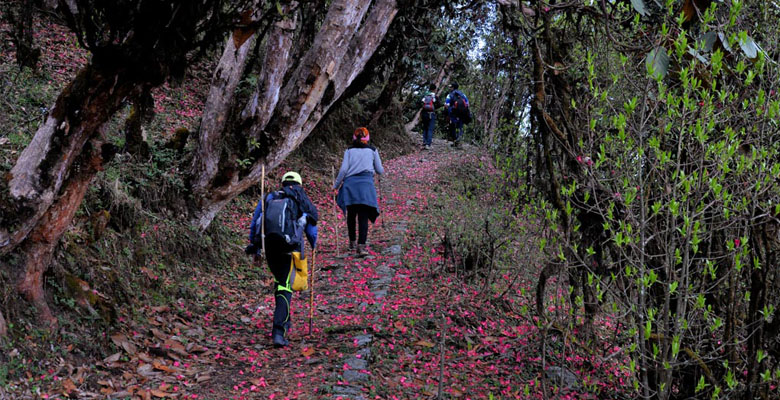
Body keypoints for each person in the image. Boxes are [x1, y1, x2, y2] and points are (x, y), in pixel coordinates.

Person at [246, 171, 318, 347]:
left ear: (283, 183)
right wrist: (313, 244)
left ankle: (285, 322)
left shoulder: (270, 197)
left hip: (270, 247)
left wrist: (255, 248)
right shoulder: (300, 198)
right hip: (289, 248)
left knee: (281, 281)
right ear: (299, 183)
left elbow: (256, 222)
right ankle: (279, 331)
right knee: (285, 286)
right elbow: (310, 228)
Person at [333, 127, 385, 256]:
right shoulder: (372, 150)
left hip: (350, 185)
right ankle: (361, 246)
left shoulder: (349, 151)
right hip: (366, 185)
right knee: (363, 216)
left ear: (354, 137)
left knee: (351, 214)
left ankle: (352, 242)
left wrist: (336, 185)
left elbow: (344, 170)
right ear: (367, 138)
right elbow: (380, 170)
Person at [420, 84, 437, 150]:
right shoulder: (434, 96)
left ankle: (424, 142)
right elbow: (438, 103)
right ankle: (428, 144)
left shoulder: (425, 95)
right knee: (430, 128)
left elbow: (421, 102)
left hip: (424, 113)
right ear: (434, 89)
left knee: (425, 128)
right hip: (431, 113)